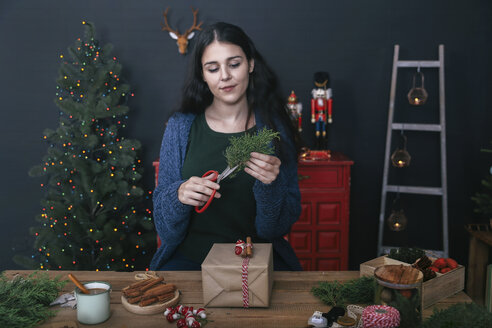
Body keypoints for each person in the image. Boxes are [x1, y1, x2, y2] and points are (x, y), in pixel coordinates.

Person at [150, 22, 302, 271]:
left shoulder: (275, 129)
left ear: (250, 64)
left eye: (234, 64)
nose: (225, 76)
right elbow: (165, 230)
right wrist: (178, 195)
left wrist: (270, 186)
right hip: (191, 262)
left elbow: (276, 228)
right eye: (213, 68)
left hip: (257, 263)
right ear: (202, 74)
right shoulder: (180, 127)